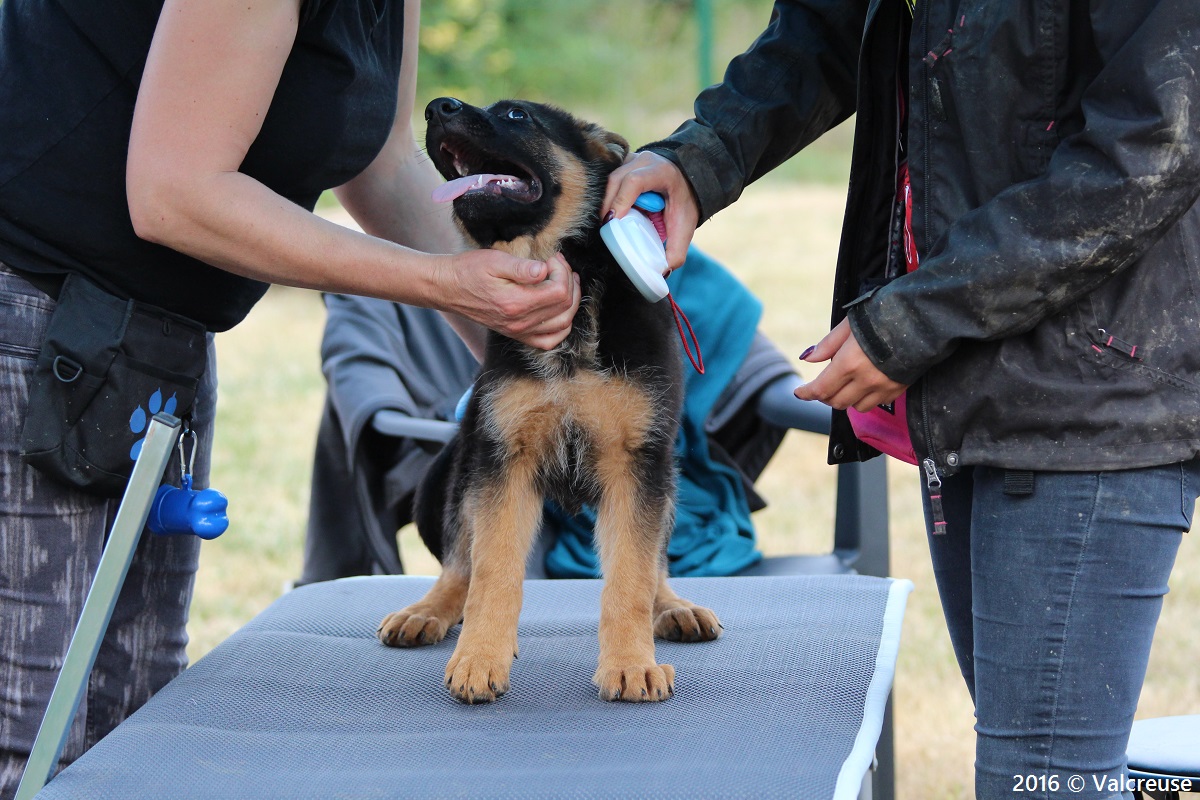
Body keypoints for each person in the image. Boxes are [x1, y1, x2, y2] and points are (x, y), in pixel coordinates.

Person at [603, 1, 1200, 798]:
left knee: (1043, 778)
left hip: (1090, 396)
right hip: (957, 383)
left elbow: (1152, 145)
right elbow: (821, 29)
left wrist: (910, 322)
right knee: (1039, 767)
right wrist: (698, 158)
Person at [0, 0, 579, 794]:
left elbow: (381, 162)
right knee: (35, 734)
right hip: (32, 313)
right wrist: (445, 283)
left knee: (134, 715)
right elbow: (174, 193)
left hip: (150, 333)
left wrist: (527, 355)